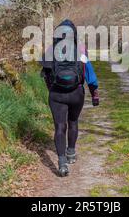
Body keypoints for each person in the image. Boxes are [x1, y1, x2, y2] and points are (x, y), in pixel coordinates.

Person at [40, 19, 100, 177]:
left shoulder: (50, 50)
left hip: (56, 94)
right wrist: (94, 93)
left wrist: (51, 89)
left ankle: (61, 163)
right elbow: (90, 75)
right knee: (73, 122)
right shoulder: (81, 50)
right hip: (76, 94)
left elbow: (45, 74)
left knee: (60, 127)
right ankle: (71, 153)